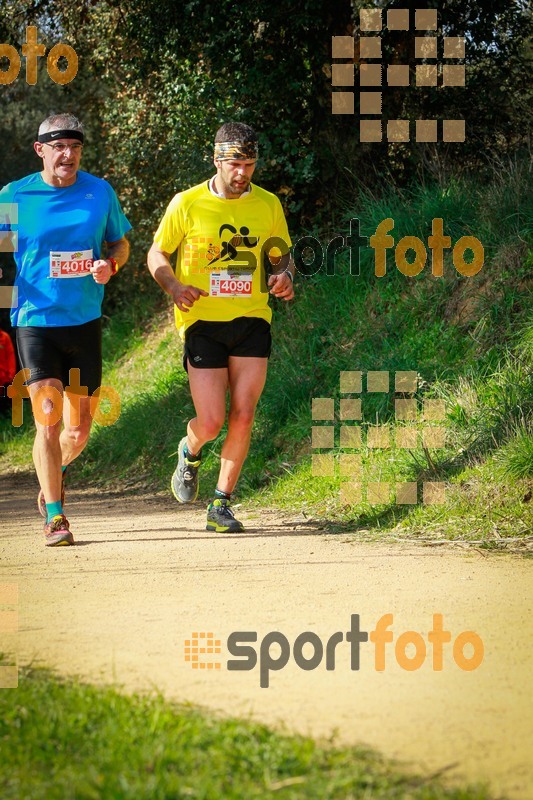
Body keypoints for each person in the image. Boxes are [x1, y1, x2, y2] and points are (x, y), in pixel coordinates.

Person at [147, 122, 294, 532]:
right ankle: (190, 450)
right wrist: (174, 286)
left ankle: (220, 504)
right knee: (210, 422)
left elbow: (280, 255)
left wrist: (285, 276)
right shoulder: (187, 203)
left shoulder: (267, 204)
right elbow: (157, 251)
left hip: (251, 318)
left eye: (249, 164)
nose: (242, 172)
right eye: (234, 163)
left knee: (243, 415)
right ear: (216, 160)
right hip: (203, 322)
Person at [0, 113, 131, 546]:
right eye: (58, 147)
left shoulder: (98, 191)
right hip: (35, 321)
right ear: (41, 150)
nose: (68, 155)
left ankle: (51, 477)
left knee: (78, 430)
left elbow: (120, 242)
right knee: (49, 423)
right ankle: (56, 517)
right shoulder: (15, 197)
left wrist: (109, 264)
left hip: (84, 321)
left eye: (74, 147)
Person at [0, 323, 16, 415]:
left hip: (4, 378)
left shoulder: (4, 337)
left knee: (5, 405)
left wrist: (11, 374)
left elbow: (11, 356)